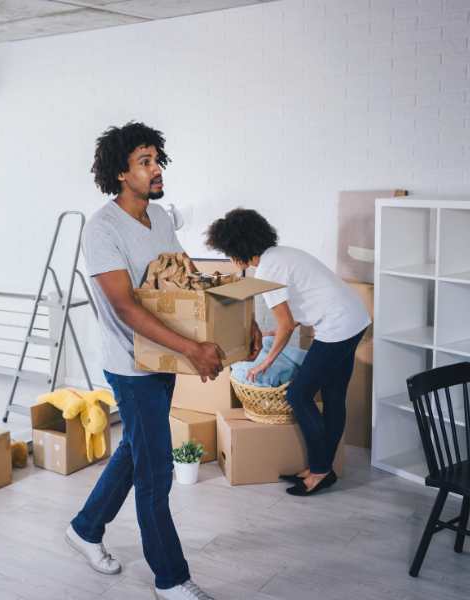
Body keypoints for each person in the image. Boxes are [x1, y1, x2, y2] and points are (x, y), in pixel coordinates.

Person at [65, 122, 246, 600]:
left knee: (136, 450)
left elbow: (182, 279)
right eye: (144, 162)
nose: (155, 168)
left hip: (161, 358)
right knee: (155, 474)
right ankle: (170, 579)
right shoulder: (103, 230)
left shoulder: (161, 217)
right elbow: (126, 307)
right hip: (130, 365)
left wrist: (233, 317)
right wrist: (192, 348)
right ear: (121, 174)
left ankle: (85, 528)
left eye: (156, 159)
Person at [206, 208, 370, 496]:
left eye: (228, 252)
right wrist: (274, 333)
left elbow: (287, 323)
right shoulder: (280, 255)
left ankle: (319, 471)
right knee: (333, 395)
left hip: (338, 326)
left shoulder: (269, 269)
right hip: (354, 318)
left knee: (298, 394)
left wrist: (265, 363)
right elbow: (292, 316)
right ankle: (324, 469)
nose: (230, 260)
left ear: (238, 248)